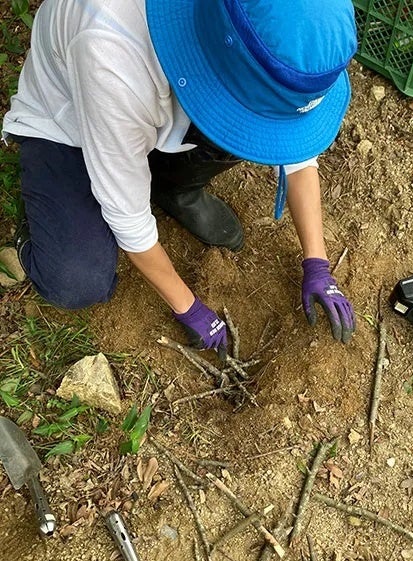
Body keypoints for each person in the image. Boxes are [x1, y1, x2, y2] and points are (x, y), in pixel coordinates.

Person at [2, 0, 358, 359]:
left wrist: (317, 262)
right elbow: (127, 216)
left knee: (254, 134)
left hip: (155, 102)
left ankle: (174, 189)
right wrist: (188, 307)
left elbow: (292, 142)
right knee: (77, 279)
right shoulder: (109, 49)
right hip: (71, 121)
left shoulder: (273, 27)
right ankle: (41, 221)